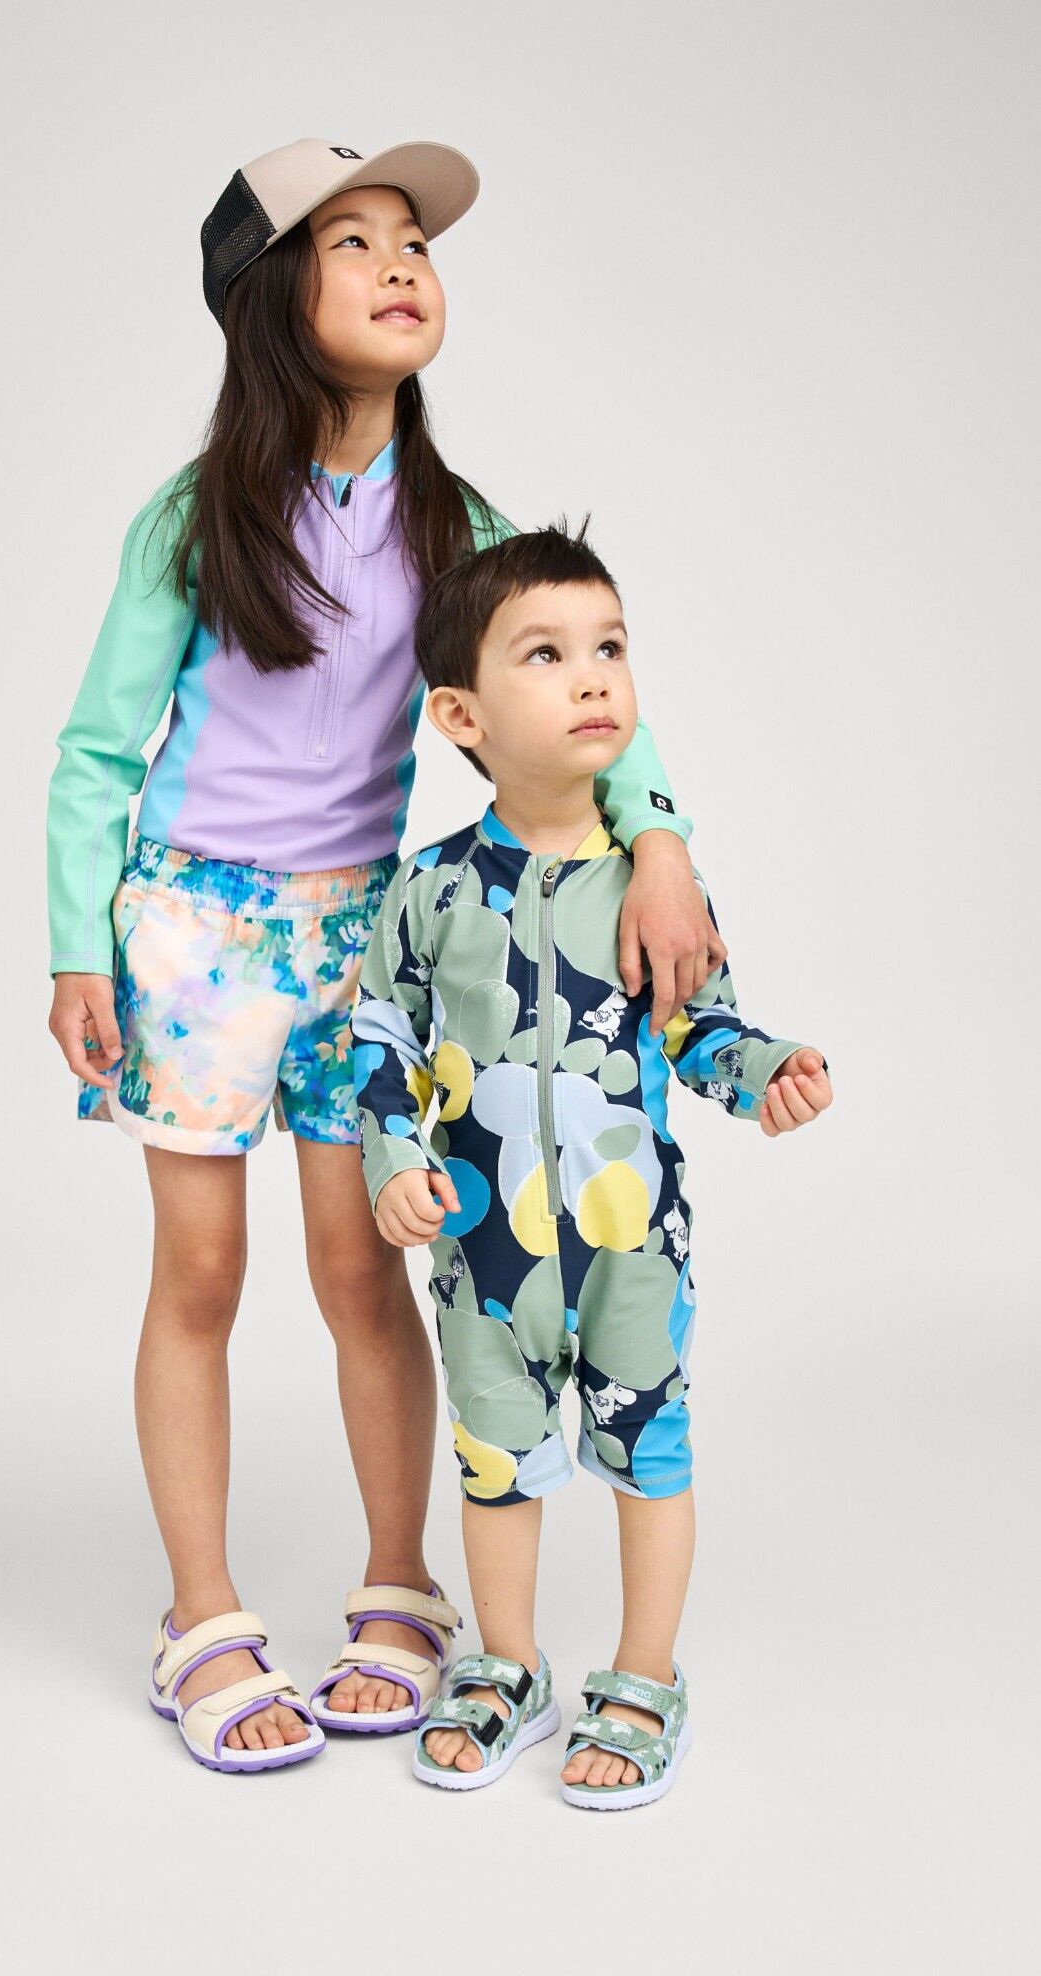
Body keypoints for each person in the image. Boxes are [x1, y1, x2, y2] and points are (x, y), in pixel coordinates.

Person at [46, 137, 721, 1773]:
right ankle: (201, 1611)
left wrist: (658, 842)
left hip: (368, 934)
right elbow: (96, 753)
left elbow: (576, 694)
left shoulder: (454, 522)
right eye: (350, 241)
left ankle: (400, 1579)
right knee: (202, 1274)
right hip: (194, 932)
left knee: (365, 1271)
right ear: (270, 297)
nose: (401, 262)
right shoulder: (192, 519)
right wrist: (78, 952)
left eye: (411, 238)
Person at [353, 523, 832, 1805]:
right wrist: (391, 1159)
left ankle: (644, 1674)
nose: (592, 678)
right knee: (496, 1460)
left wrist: (766, 1071)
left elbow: (702, 1024)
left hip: (634, 1251)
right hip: (482, 1251)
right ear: (460, 714)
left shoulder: (656, 888)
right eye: (547, 654)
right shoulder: (429, 889)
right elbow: (379, 1039)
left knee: (648, 1450)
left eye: (609, 647)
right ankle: (507, 1666)